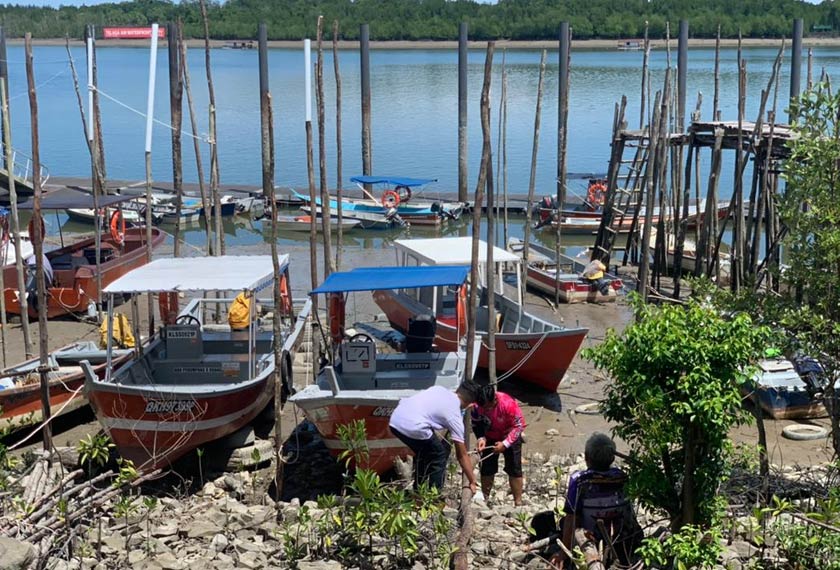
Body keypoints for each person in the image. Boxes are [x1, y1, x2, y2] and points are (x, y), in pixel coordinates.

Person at [528, 432, 639, 567]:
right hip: (619, 538)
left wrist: (564, 552)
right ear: (612, 458)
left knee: (542, 519)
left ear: (587, 457)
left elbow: (572, 517)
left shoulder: (580, 481)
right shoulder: (622, 477)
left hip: (588, 538)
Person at [389, 381, 480, 493]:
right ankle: (434, 495)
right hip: (413, 426)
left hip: (395, 420)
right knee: (439, 455)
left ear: (458, 390)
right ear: (470, 403)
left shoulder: (439, 389)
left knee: (424, 452)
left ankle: (418, 490)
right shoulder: (454, 416)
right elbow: (461, 455)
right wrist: (472, 480)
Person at [471, 385, 526, 505]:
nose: (485, 410)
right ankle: (486, 499)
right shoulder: (476, 407)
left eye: (488, 407)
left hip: (510, 435)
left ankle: (518, 502)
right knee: (486, 469)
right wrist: (481, 437)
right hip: (490, 435)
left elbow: (519, 426)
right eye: (483, 408)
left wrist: (505, 444)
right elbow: (476, 423)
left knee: (514, 469)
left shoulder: (508, 404)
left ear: (494, 400)